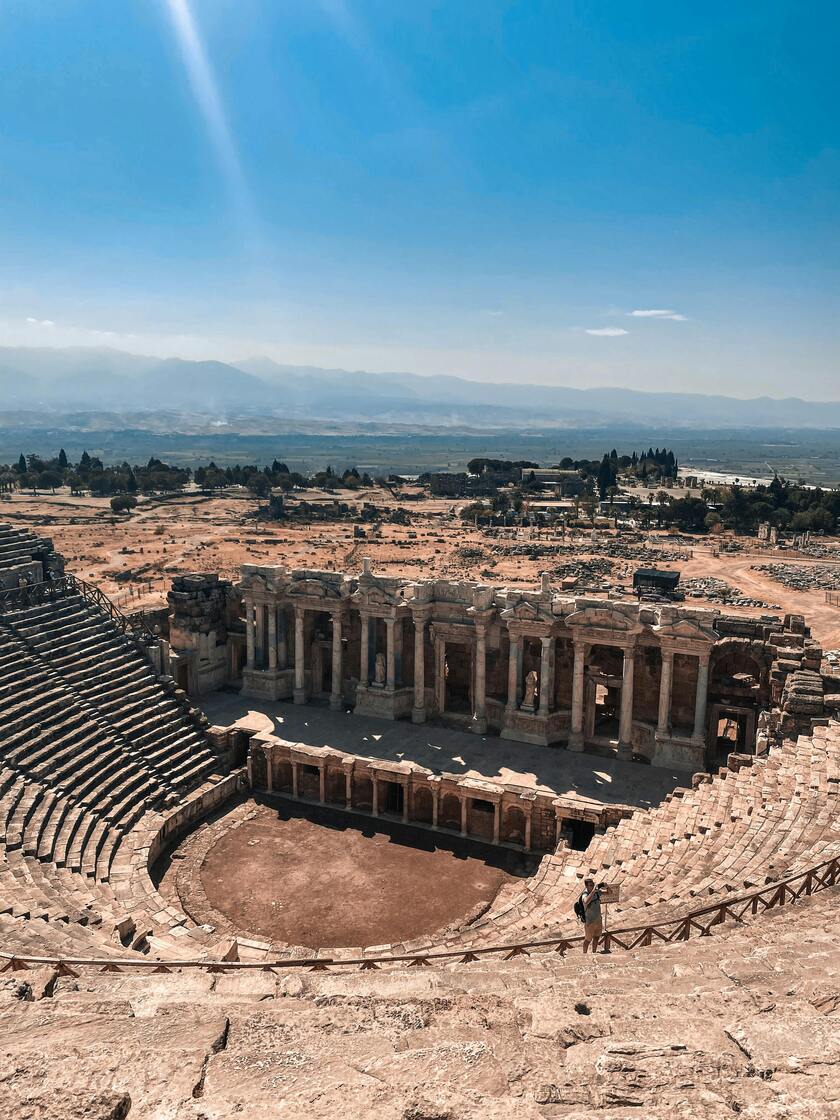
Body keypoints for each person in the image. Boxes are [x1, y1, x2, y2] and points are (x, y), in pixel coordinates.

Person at [579, 878, 604, 954]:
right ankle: (584, 954)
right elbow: (586, 901)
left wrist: (606, 886)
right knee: (588, 940)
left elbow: (609, 892)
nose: (592, 886)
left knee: (596, 938)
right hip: (590, 922)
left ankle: (594, 952)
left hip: (598, 920)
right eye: (590, 885)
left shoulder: (596, 892)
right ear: (586, 886)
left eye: (593, 884)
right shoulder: (585, 894)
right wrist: (593, 891)